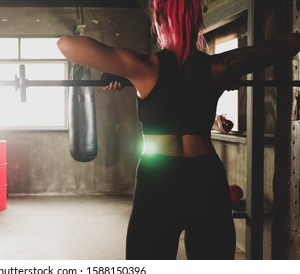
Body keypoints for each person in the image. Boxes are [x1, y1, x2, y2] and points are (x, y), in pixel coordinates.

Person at [57, 0, 300, 260]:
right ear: (198, 21)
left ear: (159, 19)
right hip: (205, 175)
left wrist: (120, 70)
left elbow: (65, 44)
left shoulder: (143, 67)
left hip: (158, 176)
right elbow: (283, 46)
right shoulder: (220, 67)